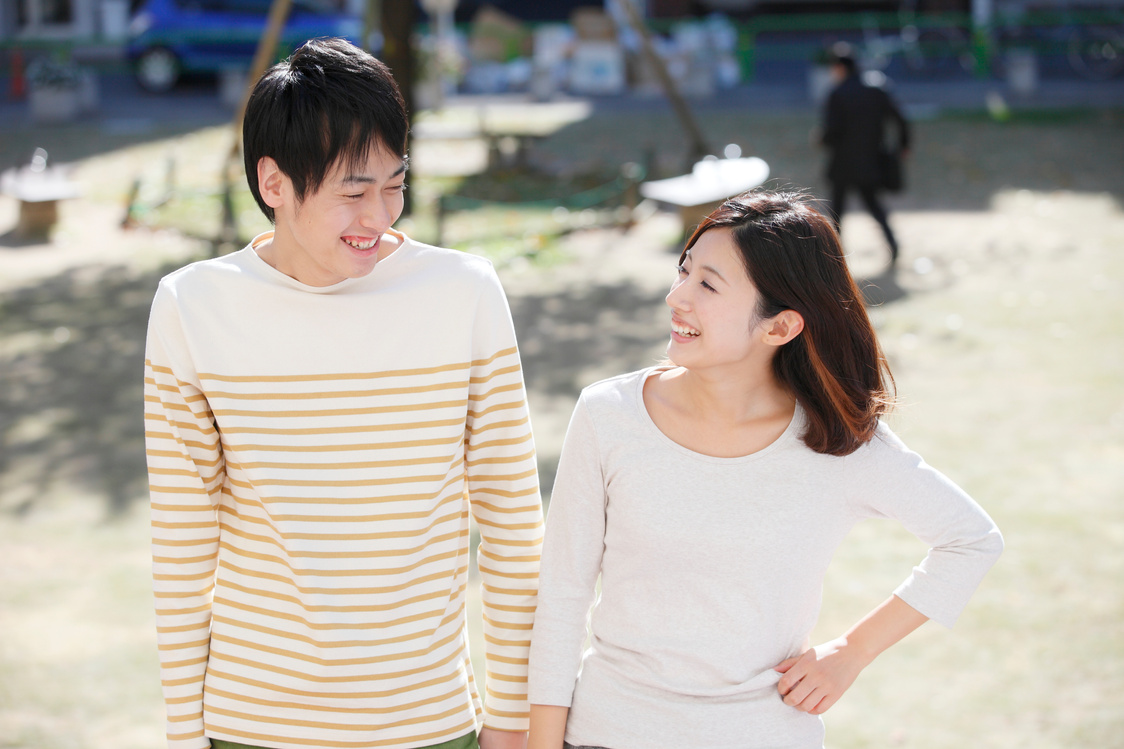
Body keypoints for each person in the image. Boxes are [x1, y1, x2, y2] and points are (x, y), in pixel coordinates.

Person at [143, 37, 543, 749]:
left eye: (395, 185)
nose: (380, 214)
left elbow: (513, 525)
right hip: (252, 723)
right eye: (353, 192)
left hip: (429, 722)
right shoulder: (192, 307)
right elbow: (182, 542)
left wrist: (512, 718)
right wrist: (184, 733)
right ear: (274, 184)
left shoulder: (464, 292)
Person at [525, 191, 1002, 749]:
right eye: (684, 270)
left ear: (779, 328)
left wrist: (850, 654)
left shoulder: (838, 441)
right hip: (610, 730)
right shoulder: (609, 415)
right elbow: (563, 594)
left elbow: (970, 540)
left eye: (707, 284)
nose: (676, 296)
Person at [821, 42, 910, 269]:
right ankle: (893, 244)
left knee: (837, 213)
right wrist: (903, 145)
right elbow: (900, 119)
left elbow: (832, 132)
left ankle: (833, 259)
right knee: (874, 206)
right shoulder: (876, 88)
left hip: (842, 163)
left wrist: (820, 139)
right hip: (870, 161)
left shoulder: (838, 93)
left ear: (840, 68)